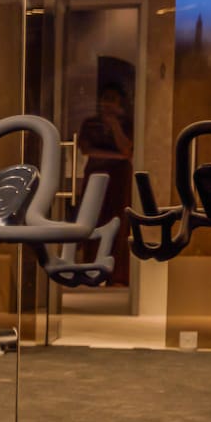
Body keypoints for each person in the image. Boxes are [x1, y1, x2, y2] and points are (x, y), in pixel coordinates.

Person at [77, 82, 135, 286]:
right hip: (96, 174)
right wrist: (118, 156)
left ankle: (116, 275)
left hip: (119, 179)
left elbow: (127, 149)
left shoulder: (126, 124)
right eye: (105, 99)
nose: (108, 104)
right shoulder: (90, 124)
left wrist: (115, 126)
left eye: (113, 100)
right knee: (92, 220)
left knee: (119, 223)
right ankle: (91, 270)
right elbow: (87, 150)